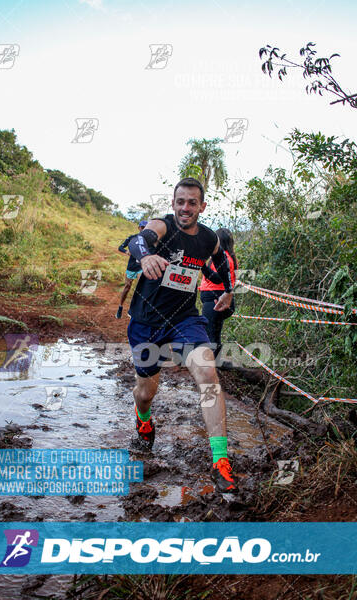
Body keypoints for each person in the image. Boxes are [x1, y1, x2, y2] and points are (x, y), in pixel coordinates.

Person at [126, 177, 237, 492]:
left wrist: (228, 290)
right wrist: (146, 256)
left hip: (186, 319)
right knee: (146, 391)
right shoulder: (163, 227)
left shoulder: (207, 238)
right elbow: (139, 239)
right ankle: (143, 417)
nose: (185, 208)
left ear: (202, 206)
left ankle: (220, 461)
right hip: (147, 322)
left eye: (192, 202)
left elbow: (222, 260)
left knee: (207, 373)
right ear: (173, 203)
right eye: (180, 202)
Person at [199, 228, 238, 361]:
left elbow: (217, 278)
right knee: (213, 332)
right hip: (216, 298)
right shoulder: (227, 256)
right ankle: (216, 364)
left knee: (209, 334)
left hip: (216, 299)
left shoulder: (223, 257)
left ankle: (210, 366)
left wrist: (202, 266)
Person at [115, 220, 148, 319]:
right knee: (127, 287)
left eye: (145, 228)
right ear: (139, 228)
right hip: (131, 266)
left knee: (140, 286)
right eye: (142, 227)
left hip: (141, 267)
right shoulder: (132, 238)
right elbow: (120, 247)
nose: (143, 229)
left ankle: (133, 309)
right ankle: (120, 307)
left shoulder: (149, 240)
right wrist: (126, 252)